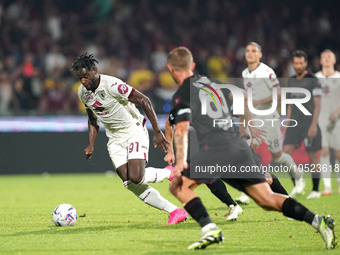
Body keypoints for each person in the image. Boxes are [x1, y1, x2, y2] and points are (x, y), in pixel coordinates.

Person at [167, 46, 336, 250]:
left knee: (178, 185)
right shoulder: (209, 81)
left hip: (216, 147)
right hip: (238, 145)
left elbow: (181, 130)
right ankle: (318, 221)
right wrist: (248, 125)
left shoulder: (182, 94)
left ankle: (209, 228)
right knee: (267, 199)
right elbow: (242, 97)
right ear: (192, 66)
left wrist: (180, 161)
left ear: (170, 68)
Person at [71, 53, 188, 225]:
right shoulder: (83, 93)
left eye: (86, 76)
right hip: (114, 138)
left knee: (136, 176)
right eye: (80, 78)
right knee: (130, 182)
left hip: (133, 130)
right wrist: (91, 144)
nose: (83, 81)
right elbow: (93, 119)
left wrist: (156, 131)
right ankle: (175, 211)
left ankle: (168, 172)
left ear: (94, 71)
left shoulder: (112, 85)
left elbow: (145, 101)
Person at [236, 42, 300, 204]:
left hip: (269, 117)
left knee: (278, 155)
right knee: (248, 150)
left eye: (253, 51)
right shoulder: (245, 73)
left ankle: (298, 177)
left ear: (260, 54)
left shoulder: (266, 71)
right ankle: (247, 190)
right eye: (248, 51)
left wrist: (258, 102)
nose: (250, 53)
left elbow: (278, 94)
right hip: (255, 118)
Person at [283, 50, 322, 199]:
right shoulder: (291, 80)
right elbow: (291, 105)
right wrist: (287, 124)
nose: (298, 66)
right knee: (285, 154)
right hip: (295, 124)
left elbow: (317, 105)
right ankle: (298, 183)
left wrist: (313, 125)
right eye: (296, 63)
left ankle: (316, 189)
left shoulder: (313, 79)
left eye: (301, 63)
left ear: (305, 63)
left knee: (313, 156)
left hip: (309, 122)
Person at [315, 49, 340, 195]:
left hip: (337, 119)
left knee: (338, 153)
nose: (326, 59)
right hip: (320, 118)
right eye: (323, 57)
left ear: (334, 60)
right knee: (323, 151)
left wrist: (336, 112)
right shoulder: (315, 78)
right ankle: (327, 187)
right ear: (320, 61)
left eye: (329, 57)